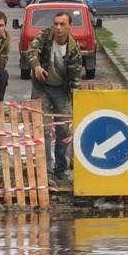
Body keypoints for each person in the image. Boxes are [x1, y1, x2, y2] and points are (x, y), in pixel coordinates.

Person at [27, 11, 83, 182]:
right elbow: (32, 50)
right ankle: (47, 171)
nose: (58, 28)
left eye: (62, 24)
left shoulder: (74, 50)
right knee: (43, 128)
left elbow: (75, 79)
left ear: (69, 27)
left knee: (64, 130)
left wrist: (75, 101)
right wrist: (36, 66)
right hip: (42, 87)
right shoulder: (46, 35)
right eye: (56, 24)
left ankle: (61, 168)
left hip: (61, 89)